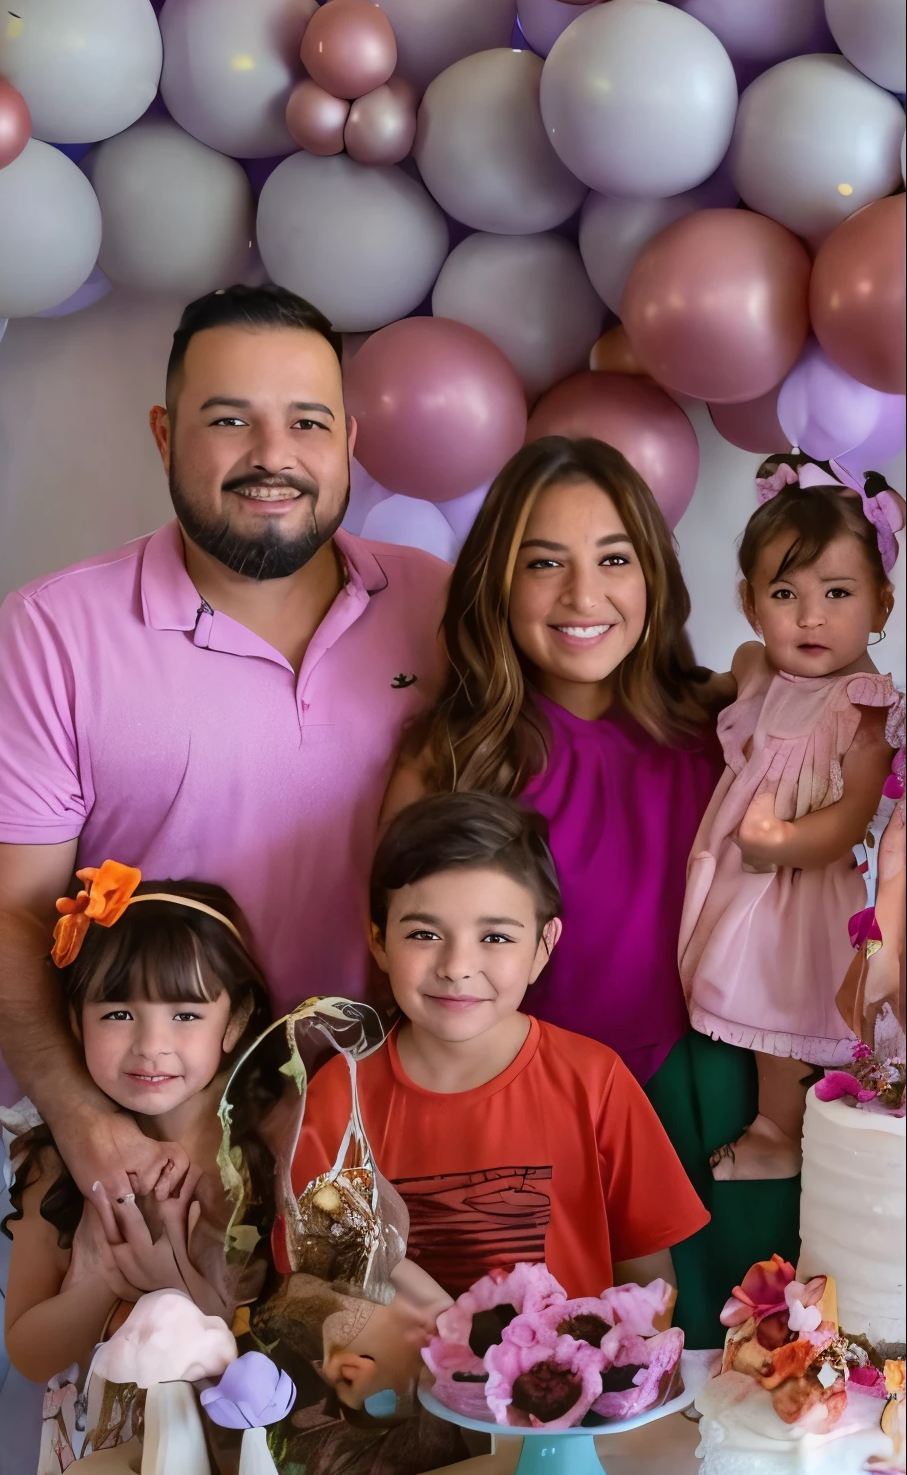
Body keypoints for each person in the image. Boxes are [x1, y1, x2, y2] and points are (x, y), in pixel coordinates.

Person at [0, 282, 449, 1221]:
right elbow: (3, 914)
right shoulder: (52, 634)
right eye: (230, 420)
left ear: (348, 440)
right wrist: (86, 1127)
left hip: (386, 1134)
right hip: (155, 1154)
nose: (274, 457)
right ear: (163, 433)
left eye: (307, 422)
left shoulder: (436, 606)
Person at [381, 435, 756, 1343]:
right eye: (543, 563)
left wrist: (757, 674)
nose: (583, 597)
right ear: (498, 585)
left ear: (654, 577)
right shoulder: (452, 756)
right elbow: (404, 948)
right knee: (549, 1379)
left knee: (725, 1365)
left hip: (704, 1096)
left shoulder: (726, 728)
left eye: (613, 559)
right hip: (515, 1113)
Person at [286, 793, 711, 1313]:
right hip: (397, 1391)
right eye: (424, 933)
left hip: (577, 1388)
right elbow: (318, 1292)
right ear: (378, 941)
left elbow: (650, 1289)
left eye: (495, 936)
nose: (457, 965)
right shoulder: (336, 1098)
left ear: (544, 945)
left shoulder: (596, 1082)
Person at [3, 871, 280, 1475]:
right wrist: (98, 1283)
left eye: (185, 1013)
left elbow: (258, 1348)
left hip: (232, 1466)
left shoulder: (263, 1158)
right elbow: (29, 1353)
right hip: (100, 1471)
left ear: (234, 1023)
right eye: (119, 1012)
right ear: (74, 1021)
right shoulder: (57, 1162)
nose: (151, 1046)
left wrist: (168, 1278)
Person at [680, 453, 903, 1182]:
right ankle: (782, 1121)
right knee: (751, 991)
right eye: (786, 593)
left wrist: (785, 842)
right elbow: (731, 674)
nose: (811, 617)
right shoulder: (760, 671)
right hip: (749, 873)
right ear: (750, 603)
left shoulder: (866, 704)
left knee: (790, 996)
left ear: (882, 605)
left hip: (810, 886)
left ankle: (787, 1127)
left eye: (838, 593)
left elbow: (854, 814)